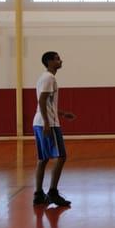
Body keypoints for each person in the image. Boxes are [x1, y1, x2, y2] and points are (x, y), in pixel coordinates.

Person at [33, 51, 76, 207]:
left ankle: (38, 195)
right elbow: (42, 101)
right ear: (50, 62)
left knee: (43, 159)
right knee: (61, 156)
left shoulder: (44, 77)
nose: (60, 60)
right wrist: (46, 123)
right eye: (57, 58)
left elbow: (46, 103)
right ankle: (52, 192)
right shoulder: (49, 78)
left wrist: (62, 113)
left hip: (39, 121)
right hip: (47, 123)